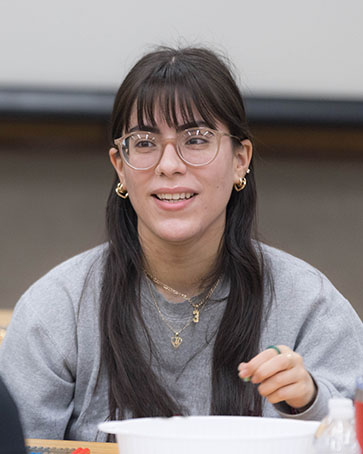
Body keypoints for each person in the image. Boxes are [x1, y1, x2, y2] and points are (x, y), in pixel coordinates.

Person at [0, 46, 362, 442]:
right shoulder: (57, 309)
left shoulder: (309, 304)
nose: (169, 164)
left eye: (196, 139)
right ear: (119, 166)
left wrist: (309, 401)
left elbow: (350, 433)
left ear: (241, 159)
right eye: (144, 143)